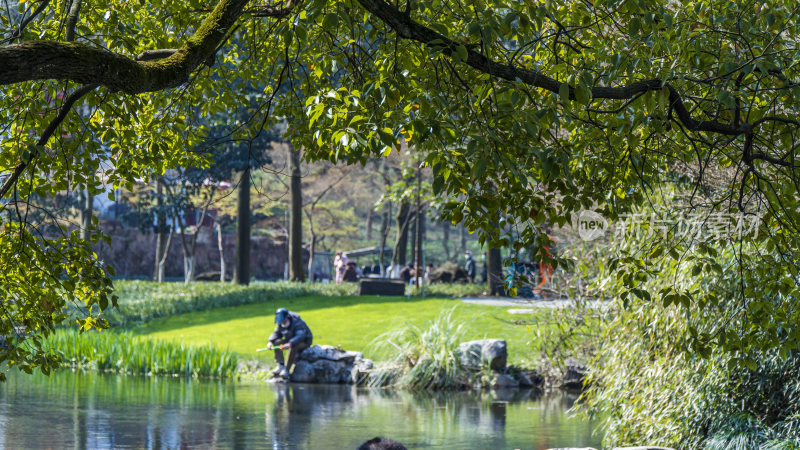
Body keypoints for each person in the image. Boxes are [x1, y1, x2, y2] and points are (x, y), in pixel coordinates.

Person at [267, 308, 313, 379]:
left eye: (284, 322)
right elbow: (276, 333)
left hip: (304, 341)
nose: (283, 324)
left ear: (288, 318)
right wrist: (270, 342)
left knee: (293, 347)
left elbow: (300, 336)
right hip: (290, 340)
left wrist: (290, 343)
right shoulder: (281, 324)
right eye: (281, 322)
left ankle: (286, 369)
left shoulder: (297, 322)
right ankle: (281, 365)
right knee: (277, 343)